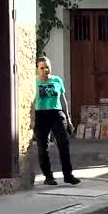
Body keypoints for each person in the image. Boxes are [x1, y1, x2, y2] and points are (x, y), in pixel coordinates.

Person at [34, 56, 80, 185]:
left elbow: (63, 100)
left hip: (57, 114)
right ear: (37, 69)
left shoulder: (57, 80)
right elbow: (30, 102)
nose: (45, 70)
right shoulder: (34, 82)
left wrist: (68, 118)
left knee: (63, 144)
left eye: (47, 67)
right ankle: (48, 177)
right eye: (42, 68)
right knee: (43, 147)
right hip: (41, 115)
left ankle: (68, 175)